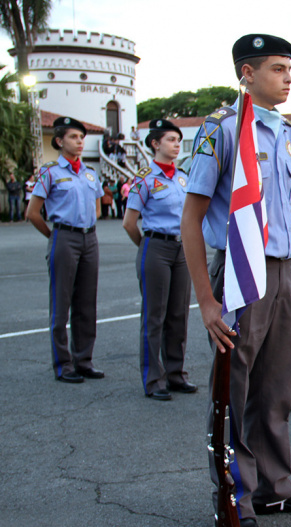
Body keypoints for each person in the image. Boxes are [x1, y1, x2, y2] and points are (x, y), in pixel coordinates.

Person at [180, 34, 291, 527]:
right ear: (247, 72)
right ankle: (234, 499)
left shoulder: (285, 134)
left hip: (283, 274)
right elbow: (191, 219)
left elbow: (286, 210)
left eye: (290, 68)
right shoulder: (222, 130)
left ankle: (274, 486)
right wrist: (207, 300)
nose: (288, 77)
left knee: (277, 386)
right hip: (242, 272)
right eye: (279, 68)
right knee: (234, 388)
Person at [25, 116, 104, 383]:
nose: (80, 142)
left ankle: (84, 360)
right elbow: (33, 212)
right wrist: (54, 236)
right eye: (73, 137)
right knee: (61, 303)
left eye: (82, 138)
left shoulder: (90, 172)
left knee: (86, 303)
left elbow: (97, 207)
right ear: (59, 141)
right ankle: (63, 364)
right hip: (64, 237)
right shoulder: (50, 172)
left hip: (88, 239)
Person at [122, 118, 195, 401]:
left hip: (181, 249)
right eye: (171, 140)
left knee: (179, 314)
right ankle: (154, 379)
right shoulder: (144, 179)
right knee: (155, 316)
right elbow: (130, 223)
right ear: (155, 144)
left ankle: (176, 374)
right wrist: (146, 248)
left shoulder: (183, 178)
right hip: (156, 247)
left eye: (178, 140)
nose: (176, 145)